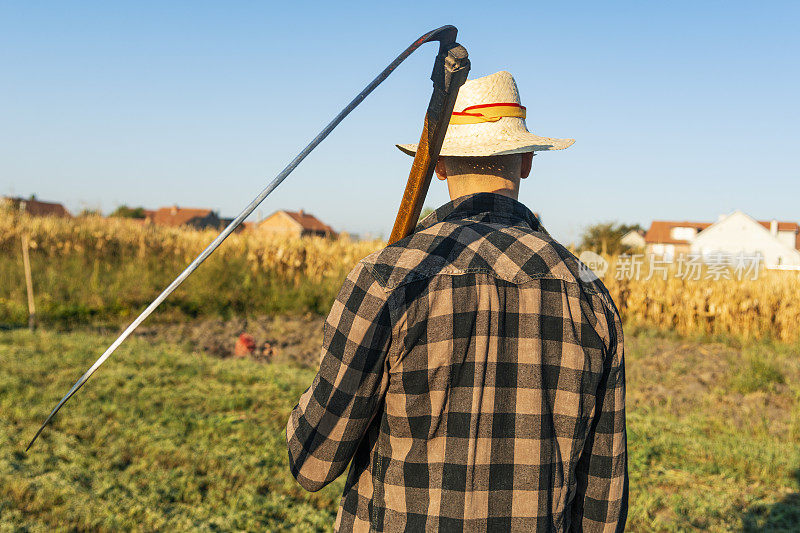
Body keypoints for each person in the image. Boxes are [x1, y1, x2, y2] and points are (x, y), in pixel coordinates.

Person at [286, 71, 628, 532]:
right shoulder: (590, 295)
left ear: (439, 164)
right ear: (527, 160)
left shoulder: (386, 277)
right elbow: (602, 499)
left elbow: (312, 461)